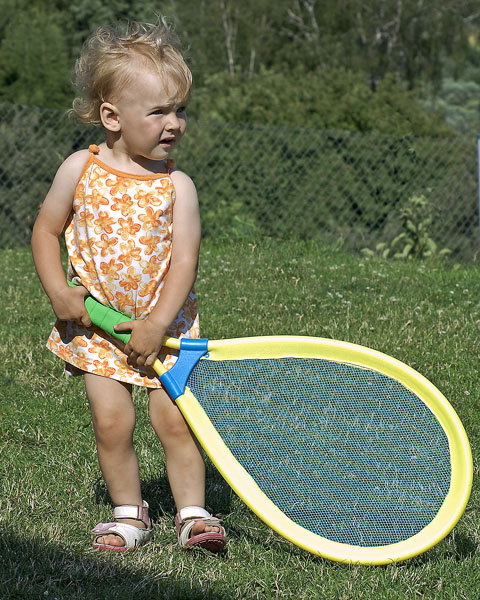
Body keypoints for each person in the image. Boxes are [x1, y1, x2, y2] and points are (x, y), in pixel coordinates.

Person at [31, 20, 226, 553]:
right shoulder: (80, 169)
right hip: (100, 331)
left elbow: (185, 261)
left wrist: (158, 324)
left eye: (179, 109)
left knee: (177, 424)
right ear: (112, 117)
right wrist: (59, 292)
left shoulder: (177, 186)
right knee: (112, 424)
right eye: (159, 111)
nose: (175, 123)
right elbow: (45, 231)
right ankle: (128, 514)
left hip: (167, 334)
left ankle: (194, 514)